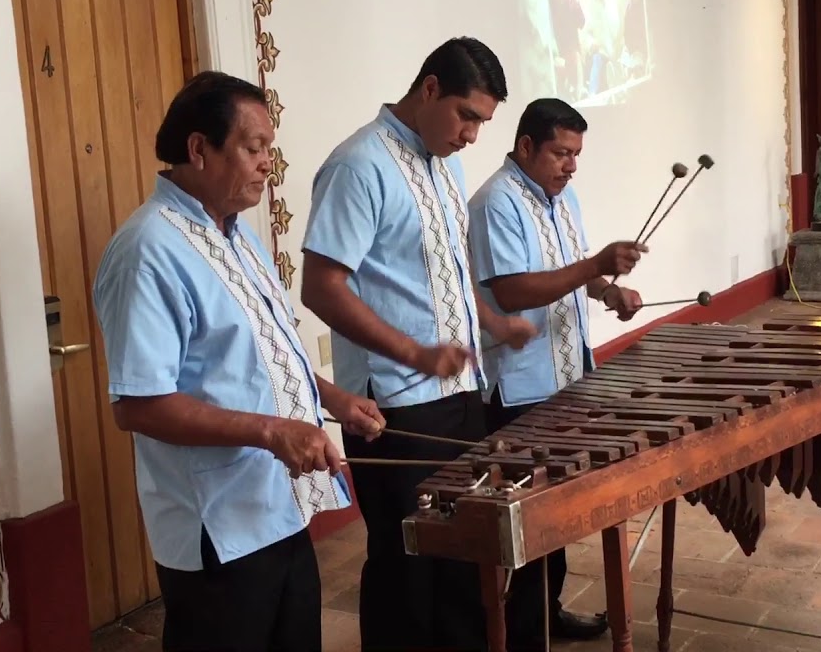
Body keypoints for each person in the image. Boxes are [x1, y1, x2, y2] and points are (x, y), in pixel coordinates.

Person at [92, 70, 387, 652]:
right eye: (254, 149)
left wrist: (332, 398)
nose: (266, 165)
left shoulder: (235, 234)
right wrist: (273, 429)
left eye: (269, 150)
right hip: (218, 528)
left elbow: (262, 354)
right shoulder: (148, 251)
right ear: (199, 149)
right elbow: (139, 405)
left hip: (279, 505)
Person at [300, 37, 538, 651]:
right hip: (397, 406)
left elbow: (448, 274)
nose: (472, 136)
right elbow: (321, 288)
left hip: (461, 392)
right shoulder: (359, 165)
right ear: (429, 89)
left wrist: (492, 322)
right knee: (407, 571)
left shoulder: (446, 164)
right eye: (467, 116)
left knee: (462, 559)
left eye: (483, 123)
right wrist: (416, 354)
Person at [466, 97, 647, 650]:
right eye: (560, 153)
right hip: (520, 385)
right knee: (528, 516)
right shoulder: (496, 202)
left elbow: (572, 270)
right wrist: (595, 267)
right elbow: (513, 289)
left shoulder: (560, 199)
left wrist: (608, 289)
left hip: (568, 376)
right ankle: (522, 630)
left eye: (576, 155)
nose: (570, 166)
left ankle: (548, 611)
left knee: (558, 510)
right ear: (526, 147)